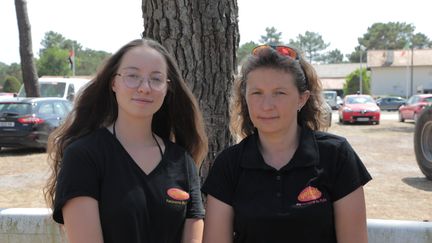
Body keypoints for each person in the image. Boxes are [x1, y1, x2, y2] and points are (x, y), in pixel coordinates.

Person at [201, 45, 371, 243]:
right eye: (256, 93)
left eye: (279, 93)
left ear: (302, 99)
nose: (266, 105)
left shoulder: (336, 155)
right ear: (245, 98)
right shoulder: (228, 164)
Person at [44, 38, 208, 243]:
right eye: (133, 76)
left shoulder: (182, 162)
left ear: (167, 89)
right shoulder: (83, 156)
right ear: (114, 83)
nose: (145, 87)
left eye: (156, 79)